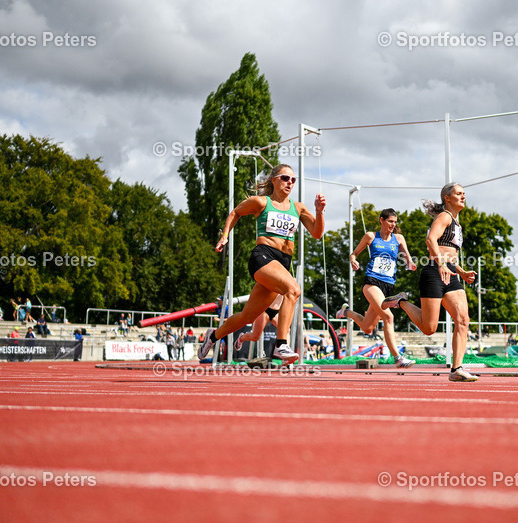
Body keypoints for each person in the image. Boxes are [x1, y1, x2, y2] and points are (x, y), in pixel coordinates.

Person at [198, 164, 326, 365]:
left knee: (247, 317)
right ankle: (281, 344)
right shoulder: (261, 202)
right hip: (263, 257)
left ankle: (213, 337)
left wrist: (319, 212)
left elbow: (317, 233)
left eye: (293, 180)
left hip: (281, 264)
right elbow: (235, 213)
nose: (289, 183)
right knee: (293, 289)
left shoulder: (299, 207)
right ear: (274, 179)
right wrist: (224, 236)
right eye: (285, 178)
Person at [382, 183, 479, 383]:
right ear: (447, 198)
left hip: (450, 273)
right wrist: (441, 264)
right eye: (459, 193)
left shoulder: (457, 223)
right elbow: (431, 240)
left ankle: (456, 369)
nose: (463, 196)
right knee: (429, 328)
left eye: (464, 193)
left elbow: (448, 253)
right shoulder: (444, 217)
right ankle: (401, 301)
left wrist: (461, 272)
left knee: (463, 320)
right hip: (434, 272)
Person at [338, 208, 417, 369]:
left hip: (388, 286)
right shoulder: (371, 236)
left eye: (395, 222)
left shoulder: (399, 238)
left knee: (367, 328)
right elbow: (354, 253)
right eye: (390, 221)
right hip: (372, 283)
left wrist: (410, 263)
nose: (393, 225)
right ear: (382, 220)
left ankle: (345, 312)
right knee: (388, 317)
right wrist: (353, 260)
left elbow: (407, 256)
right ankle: (398, 358)